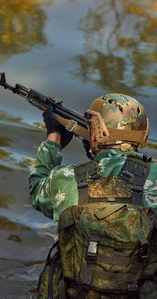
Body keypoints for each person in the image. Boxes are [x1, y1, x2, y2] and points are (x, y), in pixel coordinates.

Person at [29, 94, 157, 299]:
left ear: (95, 133)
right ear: (143, 133)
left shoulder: (67, 178)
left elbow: (37, 190)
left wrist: (53, 137)